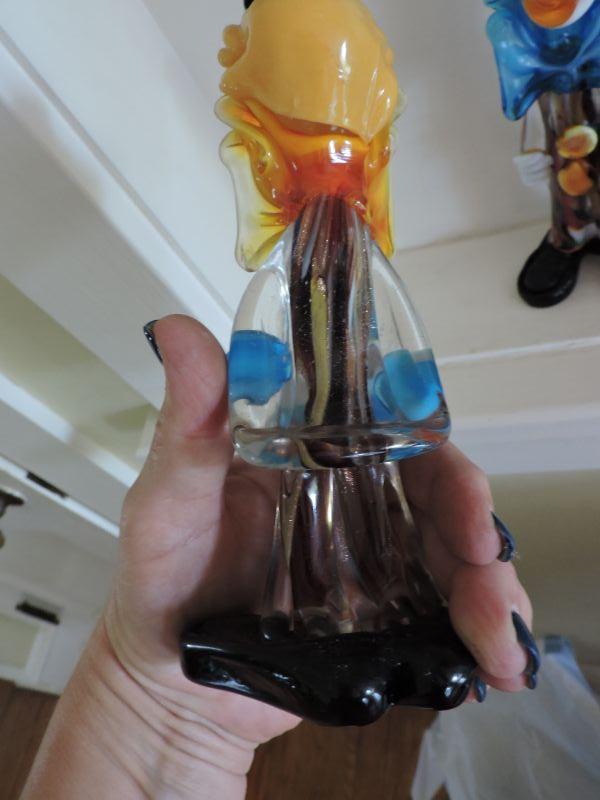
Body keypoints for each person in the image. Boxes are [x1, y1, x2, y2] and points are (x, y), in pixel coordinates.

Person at [21, 316, 538, 800]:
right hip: (303, 462)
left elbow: (414, 396)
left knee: (382, 526)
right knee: (331, 519)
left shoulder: (367, 311)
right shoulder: (281, 307)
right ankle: (333, 628)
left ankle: (393, 614)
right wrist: (153, 707)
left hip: (361, 454)